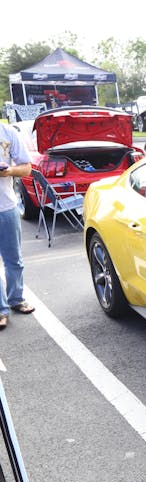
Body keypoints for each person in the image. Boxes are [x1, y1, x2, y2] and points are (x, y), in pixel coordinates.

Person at [0, 123, 35, 330]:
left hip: (7, 206)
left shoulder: (8, 132)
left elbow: (27, 168)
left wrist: (9, 171)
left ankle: (16, 299)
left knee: (14, 259)